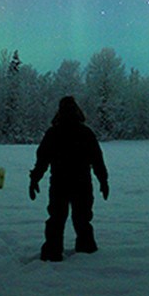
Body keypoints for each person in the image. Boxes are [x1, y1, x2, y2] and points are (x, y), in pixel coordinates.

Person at [29, 96, 109, 262]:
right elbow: (97, 159)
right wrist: (103, 180)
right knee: (82, 219)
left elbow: (42, 159)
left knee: (57, 220)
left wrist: (35, 179)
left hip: (60, 184)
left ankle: (52, 252)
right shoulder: (85, 132)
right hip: (81, 184)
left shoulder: (53, 133)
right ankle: (86, 252)